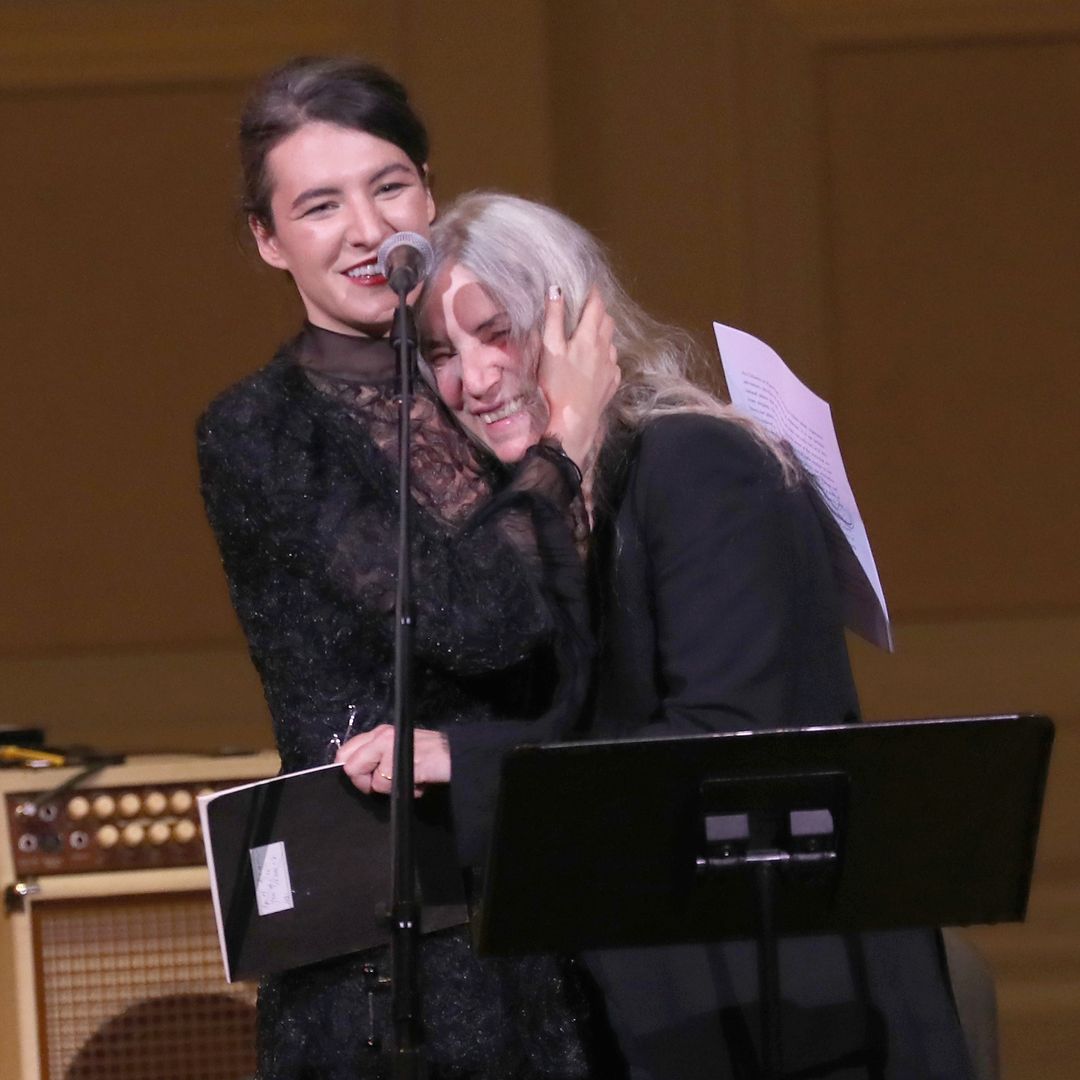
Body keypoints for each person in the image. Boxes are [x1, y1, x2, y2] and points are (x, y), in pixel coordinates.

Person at [420, 191, 976, 1080]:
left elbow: (725, 750)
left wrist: (469, 764)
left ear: (573, 320)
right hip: (666, 994)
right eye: (442, 354)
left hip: (791, 1004)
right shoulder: (545, 505)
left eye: (498, 332)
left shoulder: (699, 463)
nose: (474, 379)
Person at [197, 60, 619, 1079]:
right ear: (268, 239)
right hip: (388, 948)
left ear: (429, 194)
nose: (364, 229)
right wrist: (561, 454)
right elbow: (478, 620)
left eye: (388, 187)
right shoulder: (261, 429)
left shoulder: (485, 393)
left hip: (555, 904)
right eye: (318, 205)